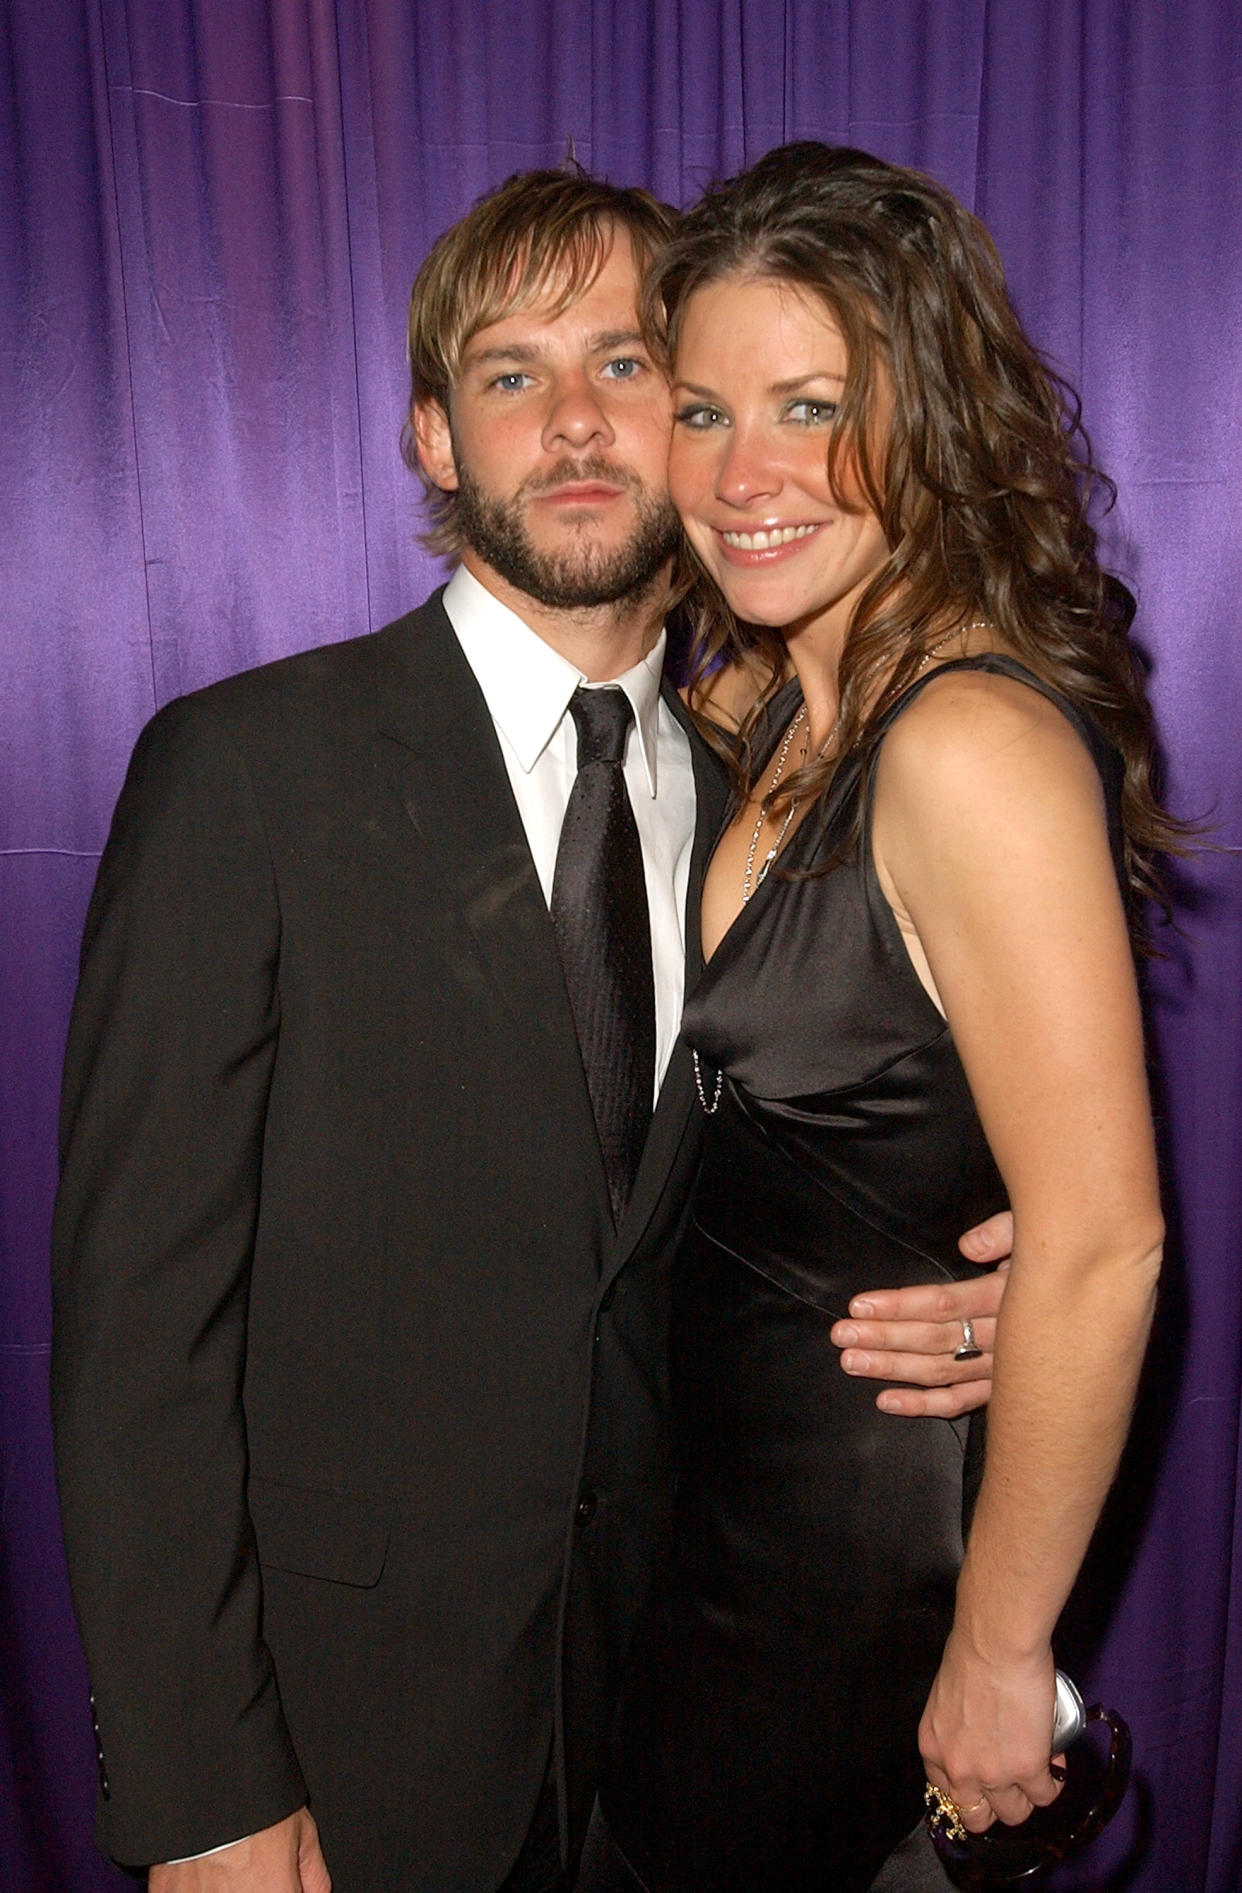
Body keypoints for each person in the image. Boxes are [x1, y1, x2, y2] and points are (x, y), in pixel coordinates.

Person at [50, 165, 1010, 1893]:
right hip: (347, 1751)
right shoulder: (245, 772)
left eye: (625, 364)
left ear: (698, 412)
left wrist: (991, 1304)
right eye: (508, 376)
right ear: (435, 436)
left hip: (691, 1737)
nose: (573, 422)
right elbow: (137, 1342)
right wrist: (201, 1790)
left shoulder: (769, 797)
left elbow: (799, 1214)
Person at [595, 144, 1171, 1893]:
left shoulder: (963, 745)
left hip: (857, 1583)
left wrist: (1000, 1655)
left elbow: (1099, 1243)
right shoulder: (762, 702)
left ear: (924, 416)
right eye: (701, 409)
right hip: (714, 1549)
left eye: (811, 404)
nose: (743, 473)